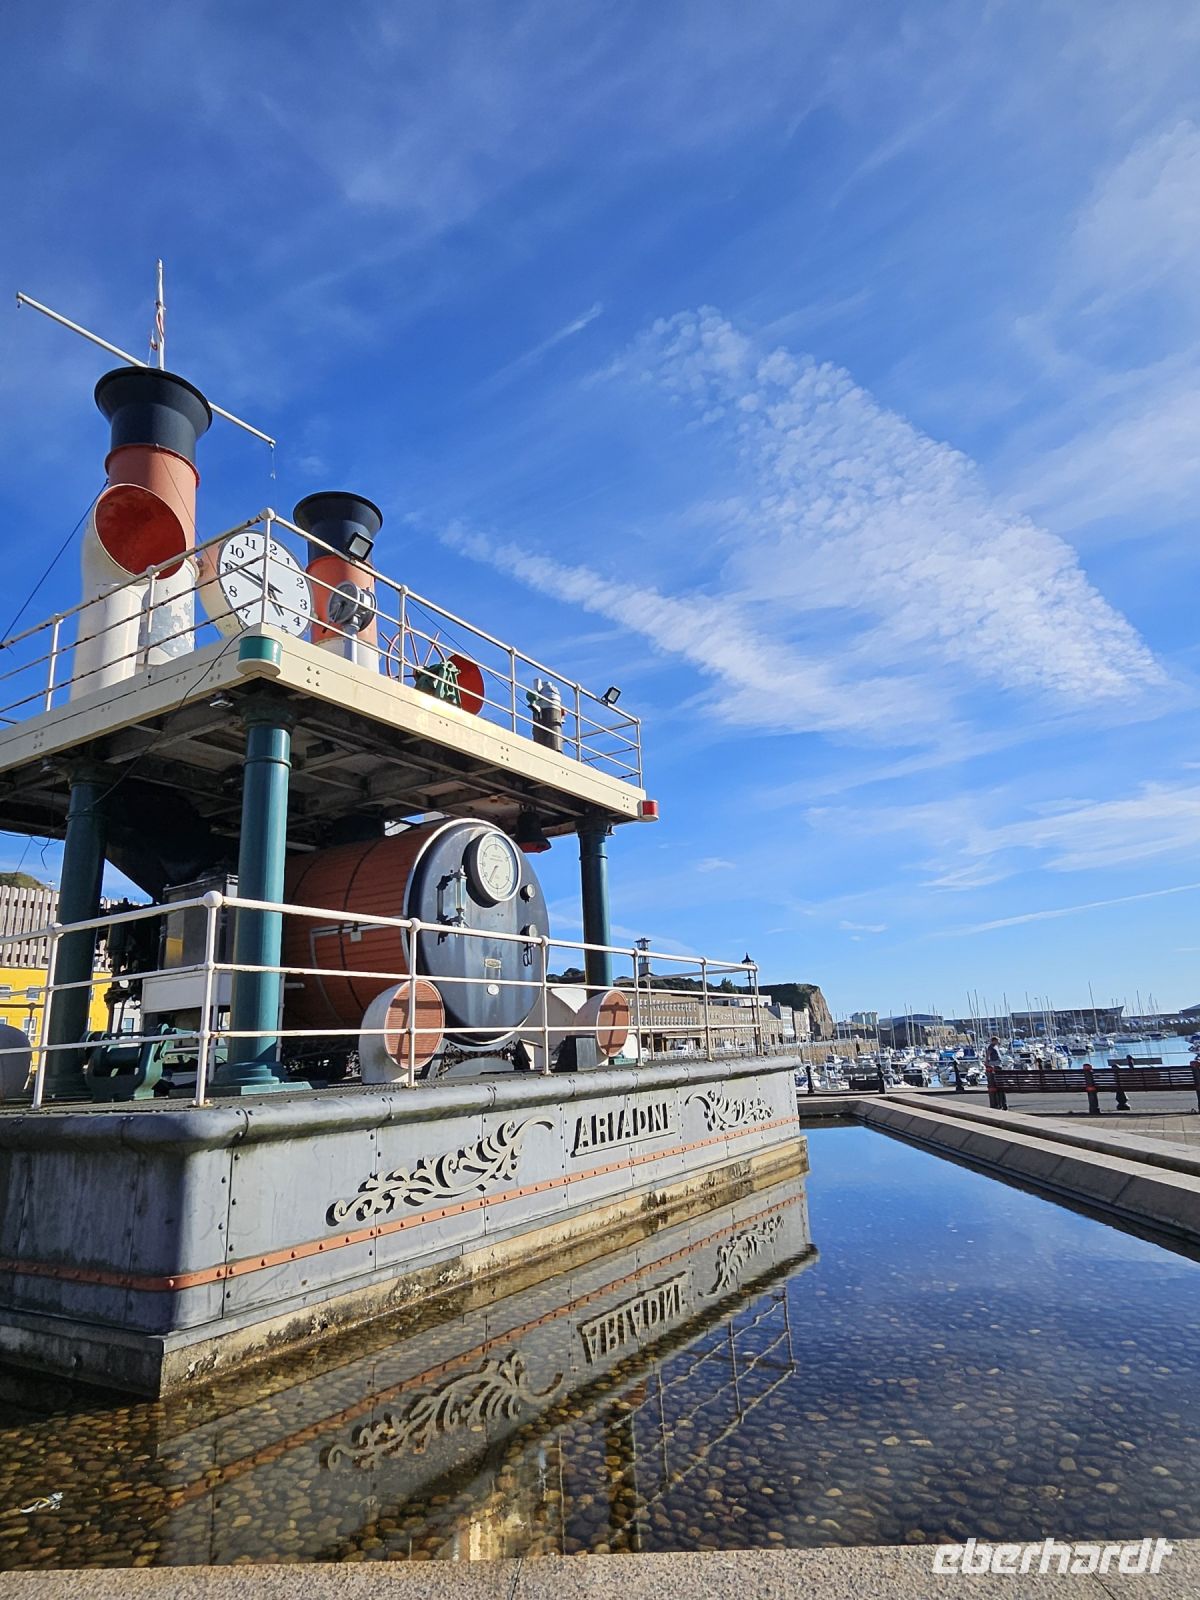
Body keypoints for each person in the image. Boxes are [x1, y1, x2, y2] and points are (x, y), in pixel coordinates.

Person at [985, 1035, 1005, 1110]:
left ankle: (999, 1104)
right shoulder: (991, 1047)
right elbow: (988, 1055)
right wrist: (987, 1062)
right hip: (995, 1063)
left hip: (997, 1063)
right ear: (993, 1041)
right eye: (997, 1040)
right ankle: (999, 1104)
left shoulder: (995, 1046)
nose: (998, 1042)